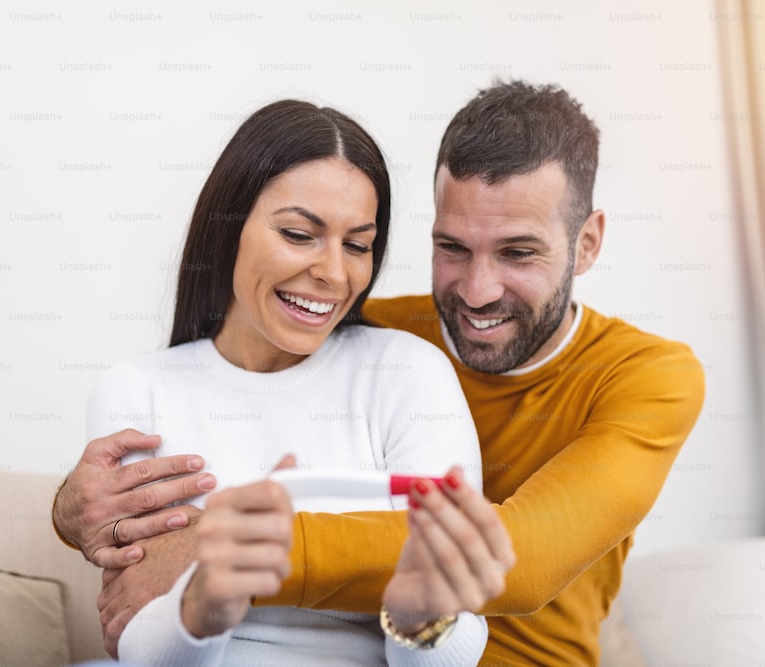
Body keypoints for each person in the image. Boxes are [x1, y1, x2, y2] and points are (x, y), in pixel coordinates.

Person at [55, 80, 705, 665]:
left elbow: (524, 561)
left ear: (587, 243)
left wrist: (236, 552)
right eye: (452, 247)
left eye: (518, 252)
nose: (476, 292)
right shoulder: (350, 327)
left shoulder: (647, 374)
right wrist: (71, 512)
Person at [81, 98, 515, 665]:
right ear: (229, 226)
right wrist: (210, 594)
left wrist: (420, 613)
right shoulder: (138, 391)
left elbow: (448, 654)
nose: (334, 273)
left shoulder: (406, 373)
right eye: (298, 234)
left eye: (357, 245)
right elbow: (131, 640)